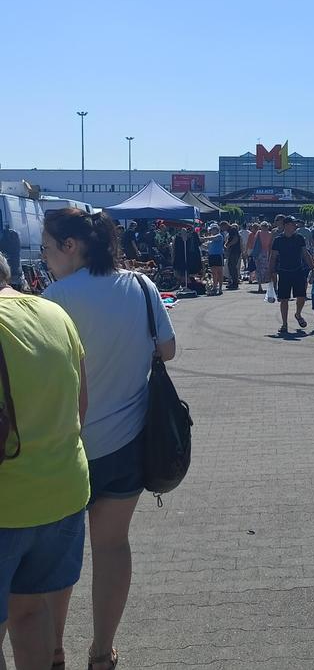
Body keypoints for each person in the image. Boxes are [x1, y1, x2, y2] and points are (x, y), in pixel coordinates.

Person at [41, 209, 176, 670]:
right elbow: (168, 347)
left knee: (59, 556)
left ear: (70, 246)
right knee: (113, 545)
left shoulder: (55, 298)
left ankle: (53, 650)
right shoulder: (140, 287)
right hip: (127, 442)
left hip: (66, 446)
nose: (43, 259)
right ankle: (101, 652)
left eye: (45, 248)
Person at [0, 253, 90, 670]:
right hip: (63, 493)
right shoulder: (55, 314)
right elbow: (81, 407)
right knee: (31, 611)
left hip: (8, 504)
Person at [270, 217, 313, 334]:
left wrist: (313, 268)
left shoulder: (299, 238)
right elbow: (273, 256)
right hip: (283, 272)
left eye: (295, 224)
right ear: (286, 225)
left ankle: (298, 314)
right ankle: (284, 324)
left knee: (301, 296)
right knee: (284, 299)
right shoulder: (278, 240)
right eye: (293, 224)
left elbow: (305, 254)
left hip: (298, 270)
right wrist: (271, 271)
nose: (295, 226)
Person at [204, 224, 224, 295]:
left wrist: (204, 238)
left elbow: (213, 238)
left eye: (212, 229)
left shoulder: (219, 236)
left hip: (218, 256)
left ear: (216, 229)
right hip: (211, 256)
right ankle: (215, 287)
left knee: (220, 272)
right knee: (214, 273)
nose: (210, 231)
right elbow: (207, 248)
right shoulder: (210, 240)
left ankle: (220, 288)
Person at [253, 222, 273, 293]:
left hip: (259, 252)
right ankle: (269, 285)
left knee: (258, 269)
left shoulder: (258, 233)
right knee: (267, 269)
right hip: (267, 252)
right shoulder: (270, 234)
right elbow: (271, 244)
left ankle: (260, 286)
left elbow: (254, 243)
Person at [225, 224, 242, 289]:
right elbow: (229, 239)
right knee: (231, 266)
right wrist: (226, 244)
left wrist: (228, 245)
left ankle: (235, 283)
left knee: (232, 266)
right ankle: (233, 282)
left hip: (235, 251)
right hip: (233, 251)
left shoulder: (233, 229)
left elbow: (235, 239)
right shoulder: (230, 231)